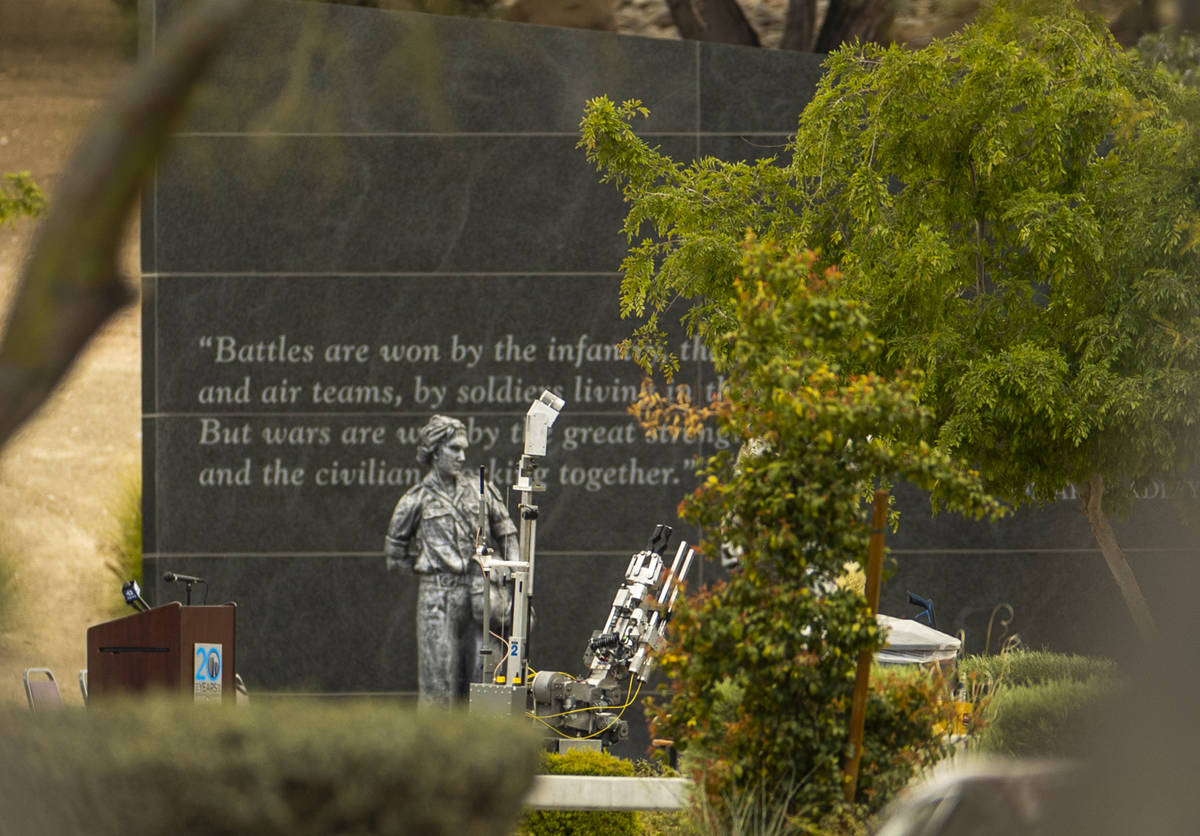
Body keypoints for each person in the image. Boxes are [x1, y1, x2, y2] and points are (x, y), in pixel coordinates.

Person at [385, 415, 518, 705]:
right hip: (437, 599)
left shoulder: (479, 489)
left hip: (480, 595)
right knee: (439, 685)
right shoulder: (415, 500)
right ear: (435, 451)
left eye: (463, 449)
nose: (462, 456)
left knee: (485, 679)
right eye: (454, 449)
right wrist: (431, 570)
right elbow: (395, 554)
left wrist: (512, 580)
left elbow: (507, 533)